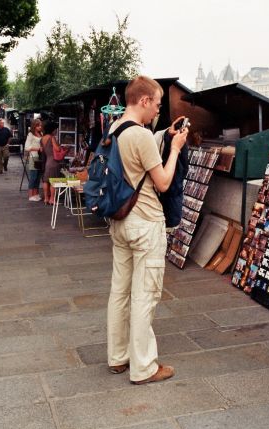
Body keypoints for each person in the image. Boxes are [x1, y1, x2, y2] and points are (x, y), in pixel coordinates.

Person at [106, 75, 188, 385]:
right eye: (156, 103)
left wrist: (166, 134)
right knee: (145, 296)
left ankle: (118, 357)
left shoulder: (115, 129)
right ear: (143, 101)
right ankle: (144, 367)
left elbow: (138, 154)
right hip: (145, 225)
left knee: (120, 292)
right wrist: (176, 148)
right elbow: (163, 181)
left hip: (120, 222)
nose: (157, 109)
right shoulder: (140, 135)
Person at [39, 121, 65, 205]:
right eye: (55, 129)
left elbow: (42, 150)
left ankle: (46, 198)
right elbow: (57, 149)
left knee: (46, 181)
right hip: (53, 162)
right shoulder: (51, 137)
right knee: (53, 181)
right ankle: (52, 199)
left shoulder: (42, 138)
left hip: (47, 161)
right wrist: (61, 146)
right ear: (52, 129)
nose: (56, 131)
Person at [25, 119, 43, 201]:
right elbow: (27, 147)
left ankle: (36, 194)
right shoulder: (30, 134)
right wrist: (38, 149)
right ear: (34, 126)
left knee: (38, 177)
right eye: (38, 125)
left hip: (40, 157)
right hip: (33, 157)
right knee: (33, 176)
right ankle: (30, 195)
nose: (40, 127)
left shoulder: (41, 134)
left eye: (40, 125)